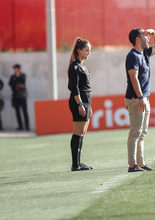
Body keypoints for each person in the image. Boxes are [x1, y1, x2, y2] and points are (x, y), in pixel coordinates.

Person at [125, 28, 155, 172]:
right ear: (138, 39)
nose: (148, 38)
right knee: (135, 132)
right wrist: (140, 97)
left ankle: (140, 163)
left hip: (144, 98)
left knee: (142, 132)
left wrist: (154, 33)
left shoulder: (145, 53)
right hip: (137, 98)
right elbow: (133, 78)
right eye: (145, 35)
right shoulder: (133, 56)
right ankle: (132, 165)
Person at [68, 37, 93, 171]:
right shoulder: (75, 66)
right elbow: (74, 87)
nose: (89, 53)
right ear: (79, 51)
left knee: (82, 133)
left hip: (85, 102)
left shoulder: (82, 65)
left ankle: (78, 162)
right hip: (79, 102)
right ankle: (75, 164)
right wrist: (80, 104)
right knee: (77, 132)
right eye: (87, 50)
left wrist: (89, 106)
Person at [9, 64, 30, 131]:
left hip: (22, 96)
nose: (15, 70)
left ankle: (27, 126)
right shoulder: (12, 76)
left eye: (16, 68)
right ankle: (20, 126)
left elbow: (23, 82)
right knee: (17, 112)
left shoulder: (23, 75)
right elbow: (11, 83)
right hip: (15, 96)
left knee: (25, 112)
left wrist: (18, 79)